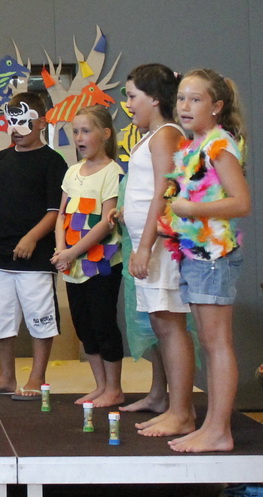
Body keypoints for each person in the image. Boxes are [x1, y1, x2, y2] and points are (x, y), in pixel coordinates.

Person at [160, 69, 251, 453]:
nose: (184, 106)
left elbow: (241, 202)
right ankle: (212, 424)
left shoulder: (219, 144)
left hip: (214, 256)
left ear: (216, 106)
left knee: (217, 344)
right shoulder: (194, 145)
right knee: (209, 343)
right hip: (197, 254)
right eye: (181, 98)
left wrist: (191, 209)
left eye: (195, 99)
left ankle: (218, 430)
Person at [114, 64, 194, 439]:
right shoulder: (153, 136)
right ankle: (171, 405)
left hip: (161, 246)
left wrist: (145, 246)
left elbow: (164, 193)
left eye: (132, 96)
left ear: (155, 99)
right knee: (162, 326)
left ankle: (182, 412)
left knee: (171, 327)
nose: (128, 104)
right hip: (148, 242)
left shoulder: (166, 135)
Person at [0, 92, 68, 400]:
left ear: (41, 122)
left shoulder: (53, 162)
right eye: (11, 121)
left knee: (40, 317)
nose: (15, 129)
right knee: (1, 318)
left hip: (36, 259)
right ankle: (6, 376)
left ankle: (37, 378)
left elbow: (55, 211)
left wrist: (32, 237)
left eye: (23, 121)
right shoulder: (1, 160)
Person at [50, 105, 125, 408]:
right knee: (83, 325)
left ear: (105, 134)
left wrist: (72, 251)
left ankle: (114, 388)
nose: (79, 137)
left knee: (103, 323)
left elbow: (106, 222)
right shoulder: (72, 172)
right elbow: (61, 216)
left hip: (100, 262)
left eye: (86, 131)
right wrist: (61, 250)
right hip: (73, 264)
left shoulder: (112, 172)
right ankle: (101, 385)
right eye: (75, 132)